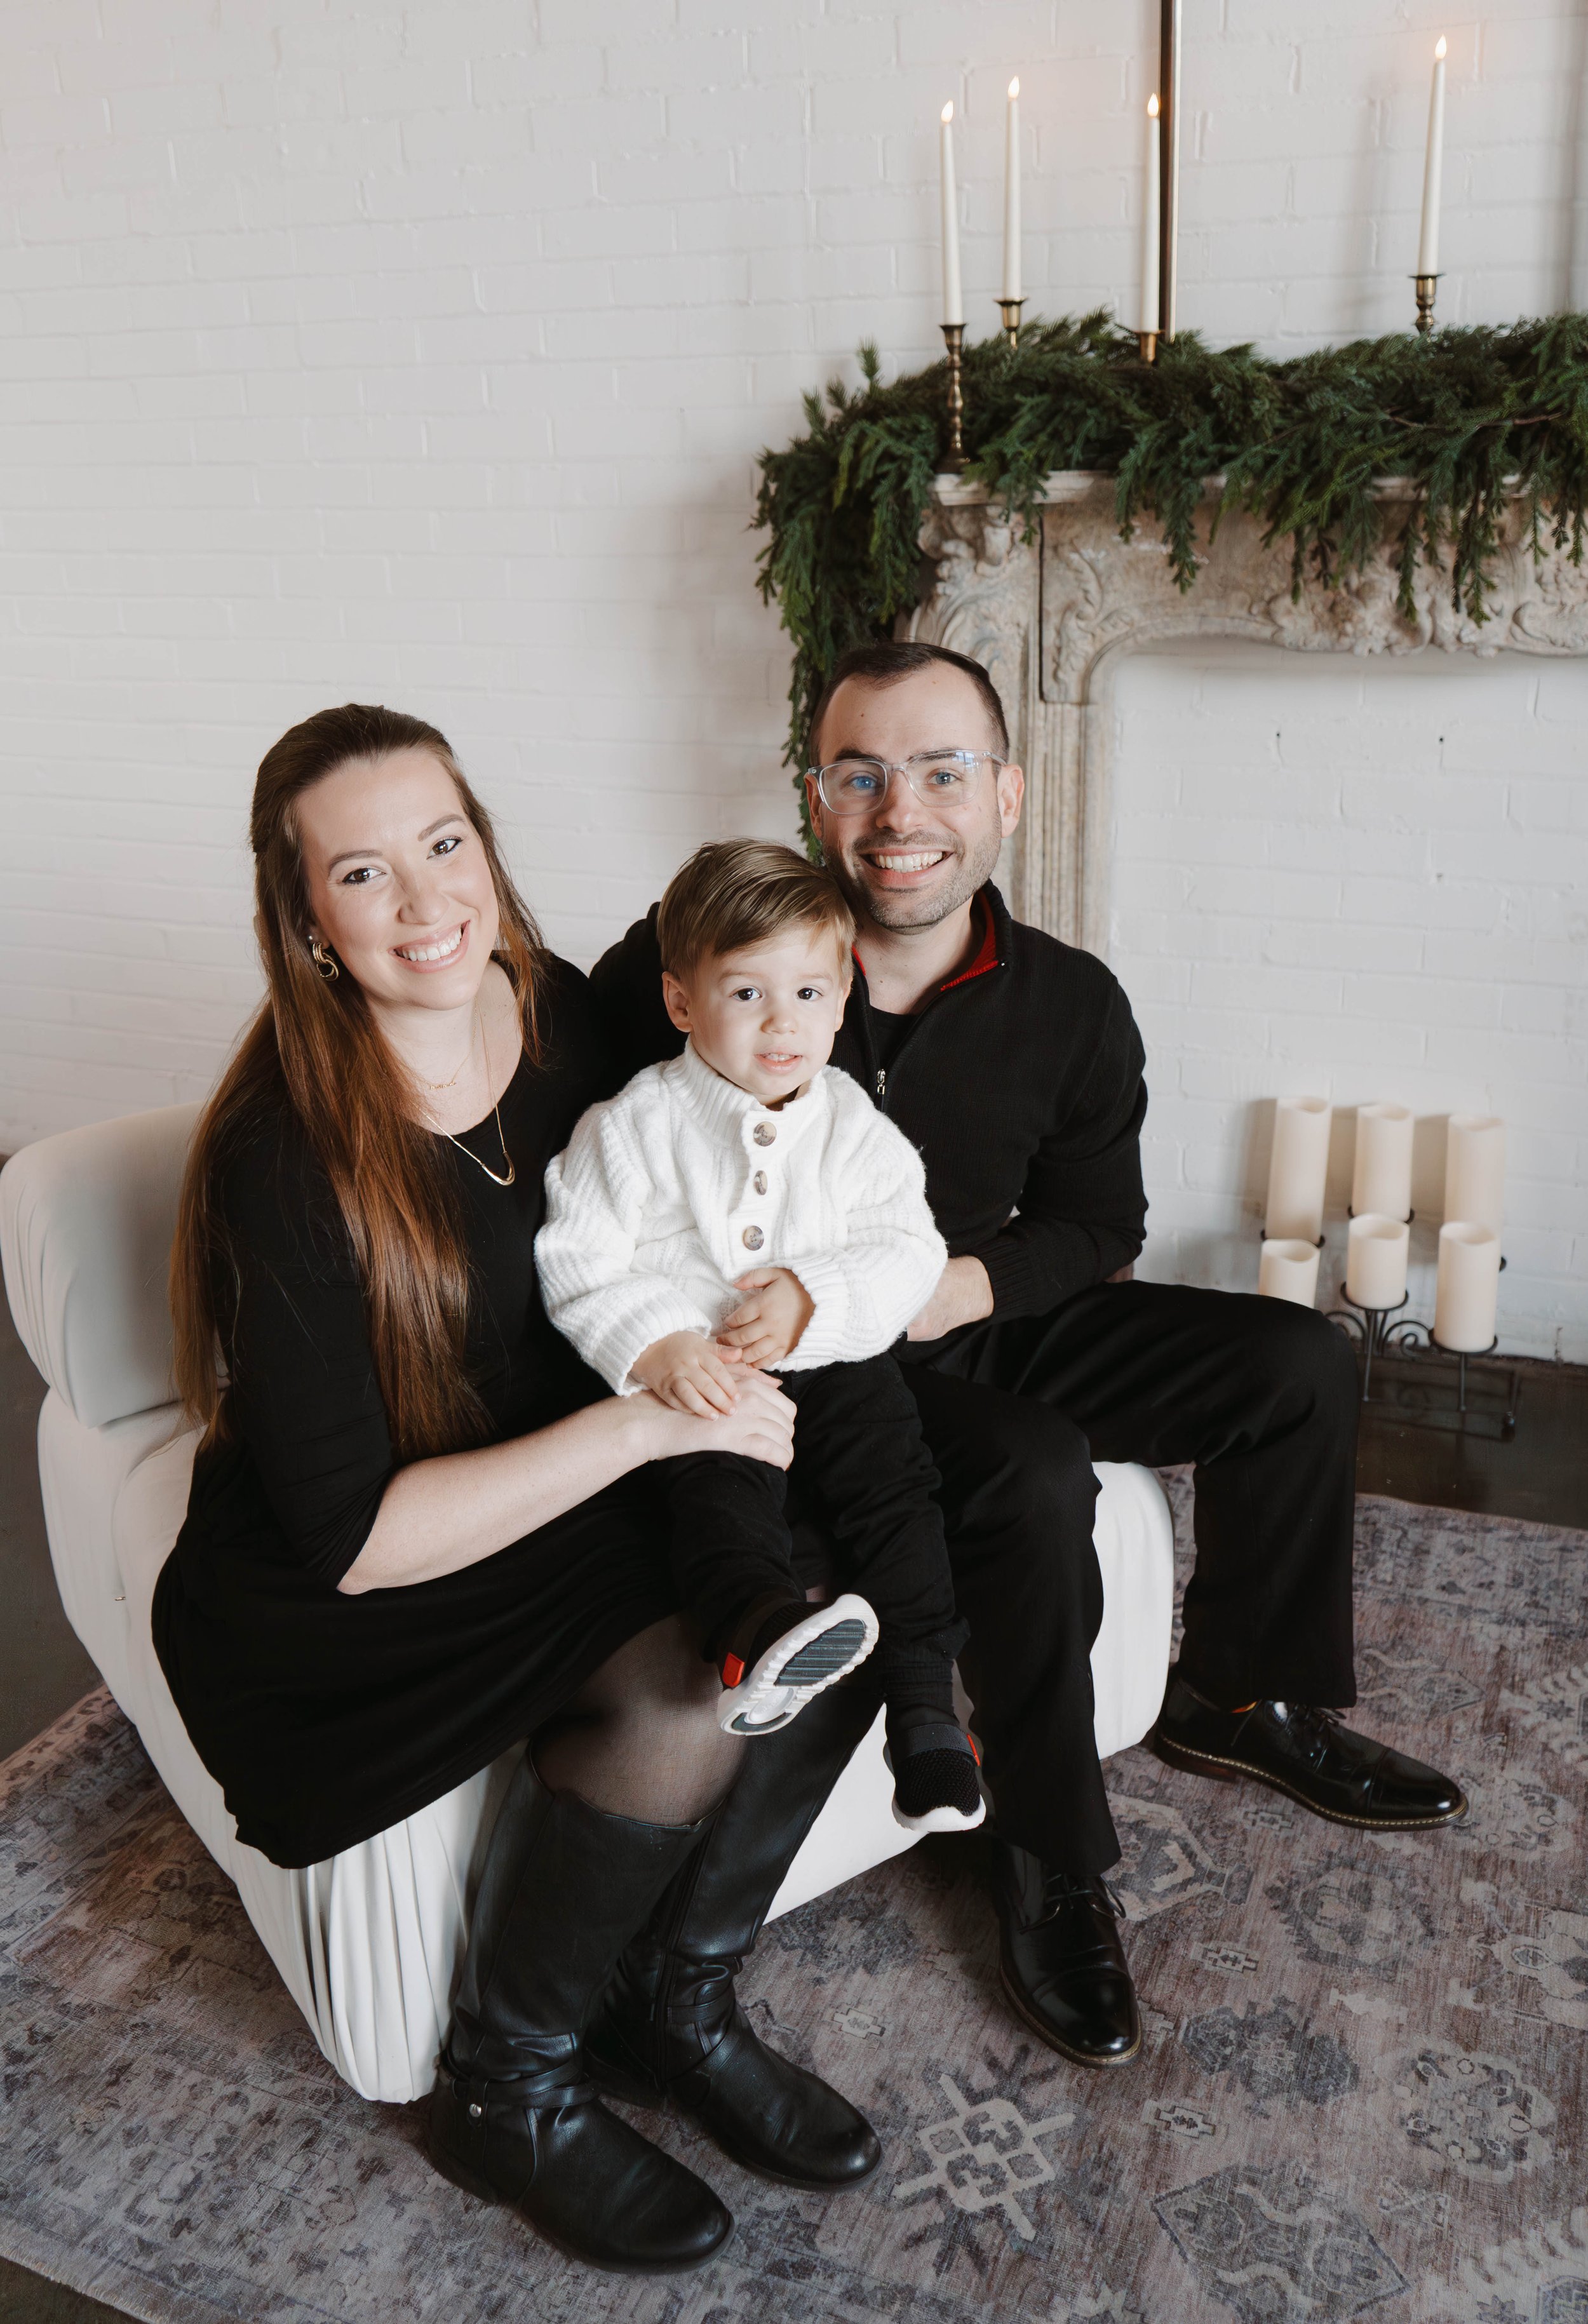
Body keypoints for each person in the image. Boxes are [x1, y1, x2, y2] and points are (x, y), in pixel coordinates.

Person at [591, 638, 1467, 2074]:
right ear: (817, 799)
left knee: (1300, 1362)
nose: (899, 810)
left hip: (964, 1307)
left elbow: (1094, 1225)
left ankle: (1235, 1698)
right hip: (807, 1362)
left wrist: (961, 1285)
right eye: (860, 773)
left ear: (1002, 794)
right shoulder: (706, 956)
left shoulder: (1068, 1001)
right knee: (1040, 1476)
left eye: (940, 772)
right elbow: (565, 1093)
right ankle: (1047, 1861)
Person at [156, 704, 885, 2278]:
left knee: (817, 1613)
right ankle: (508, 2090)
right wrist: (644, 1426)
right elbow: (354, 1539)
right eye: (364, 874)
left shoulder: (555, 1009)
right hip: (353, 1580)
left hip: (554, 1479)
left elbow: (739, 1080)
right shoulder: (281, 1157)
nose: (426, 904)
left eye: (444, 844)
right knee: (687, 1700)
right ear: (307, 923)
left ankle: (671, 2002)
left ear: (485, 843)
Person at [537, 837, 983, 1834]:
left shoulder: (851, 1124)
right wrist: (661, 1348)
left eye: (811, 996)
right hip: (706, 1375)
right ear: (682, 1002)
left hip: (829, 1360)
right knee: (716, 1484)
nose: (785, 1026)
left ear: (843, 993)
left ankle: (925, 1706)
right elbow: (579, 1260)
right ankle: (760, 1632)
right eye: (747, 996)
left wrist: (812, 1298)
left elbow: (910, 1246)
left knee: (893, 1477)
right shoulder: (635, 1127)